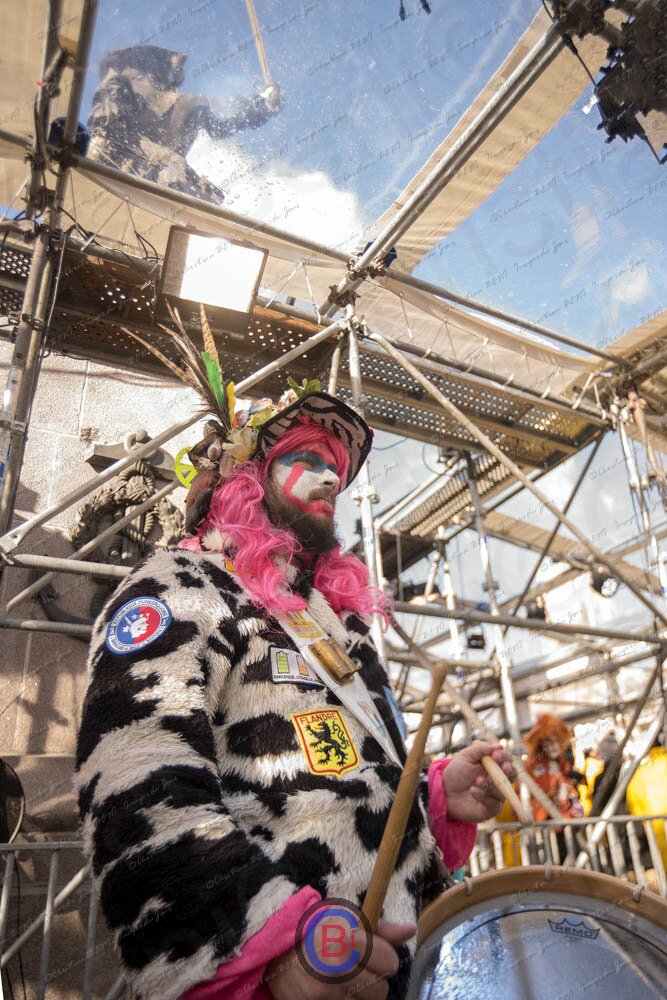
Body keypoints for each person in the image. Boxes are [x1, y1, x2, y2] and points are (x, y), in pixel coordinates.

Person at [74, 378, 514, 1000]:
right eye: (306, 459)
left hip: (403, 968)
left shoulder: (334, 620)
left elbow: (349, 785)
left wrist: (436, 795)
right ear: (247, 476)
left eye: (335, 468)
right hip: (296, 969)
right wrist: (263, 944)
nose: (331, 479)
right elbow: (134, 777)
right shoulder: (181, 585)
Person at [87, 45, 282, 203]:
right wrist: (100, 140)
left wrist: (261, 103)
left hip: (156, 181)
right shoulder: (119, 79)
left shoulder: (185, 104)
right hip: (117, 161)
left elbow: (221, 118)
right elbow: (106, 117)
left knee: (204, 196)